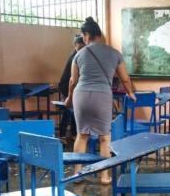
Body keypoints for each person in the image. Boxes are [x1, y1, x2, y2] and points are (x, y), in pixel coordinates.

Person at [64, 17, 136, 184]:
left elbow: (72, 81)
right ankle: (104, 176)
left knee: (82, 135)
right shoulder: (114, 53)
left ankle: (78, 174)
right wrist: (130, 93)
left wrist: (68, 98)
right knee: (104, 137)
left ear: (87, 35)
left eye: (83, 36)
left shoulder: (79, 54)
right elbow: (125, 79)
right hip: (102, 95)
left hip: (80, 95)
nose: (83, 39)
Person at [58, 35, 85, 138]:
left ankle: (74, 134)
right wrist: (69, 96)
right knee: (68, 111)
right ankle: (62, 135)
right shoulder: (75, 58)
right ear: (75, 45)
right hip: (67, 87)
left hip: (74, 87)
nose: (81, 48)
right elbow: (72, 80)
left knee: (74, 112)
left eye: (83, 46)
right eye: (79, 46)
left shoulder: (79, 56)